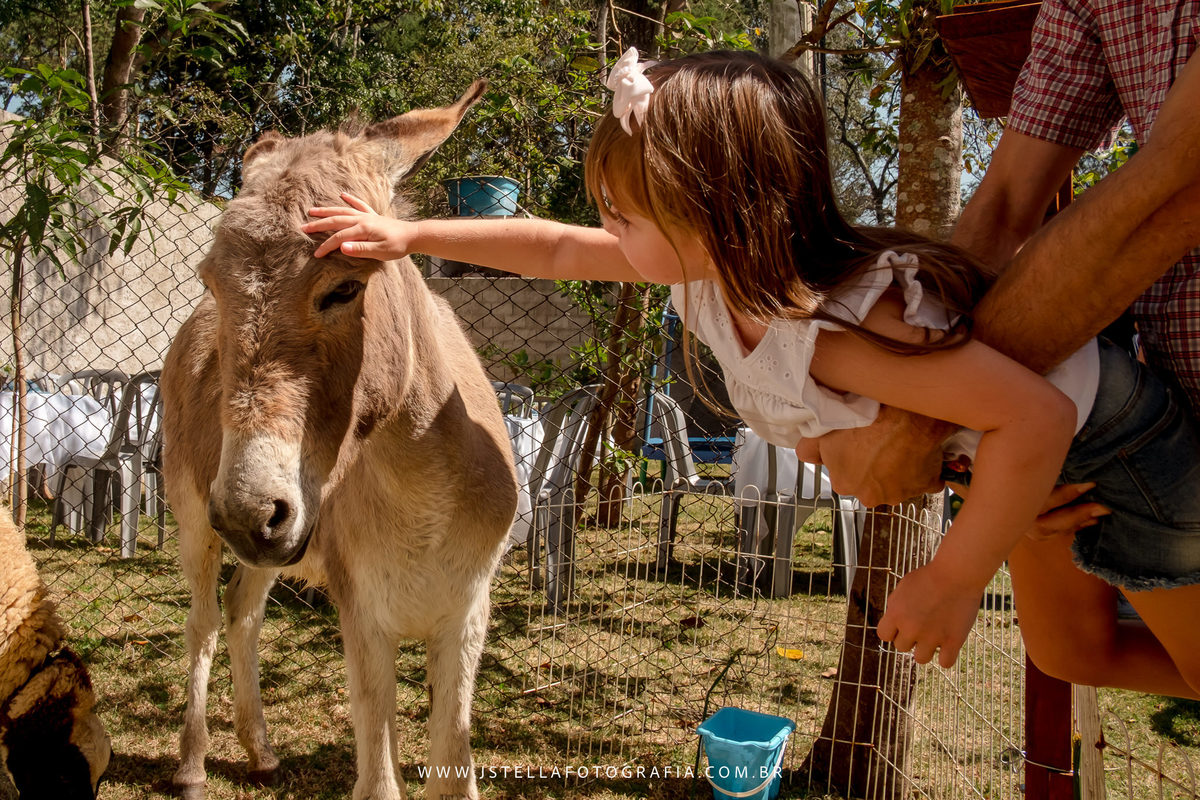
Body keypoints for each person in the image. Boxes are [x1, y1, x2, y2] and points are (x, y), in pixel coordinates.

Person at [301, 49, 1200, 696]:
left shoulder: (825, 332)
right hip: (1034, 454)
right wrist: (411, 236)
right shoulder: (699, 276)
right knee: (1070, 656)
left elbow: (1036, 419)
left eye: (625, 215)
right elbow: (550, 247)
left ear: (715, 213)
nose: (606, 232)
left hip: (1113, 447)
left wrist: (956, 577)